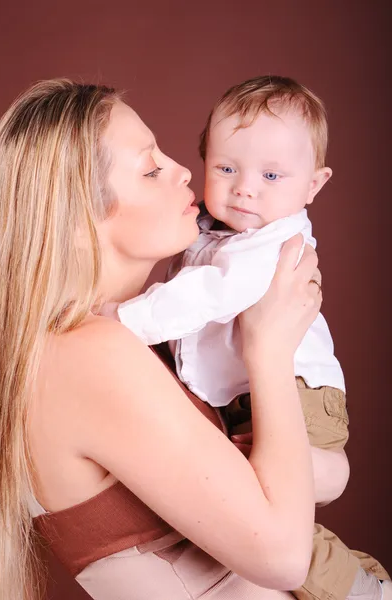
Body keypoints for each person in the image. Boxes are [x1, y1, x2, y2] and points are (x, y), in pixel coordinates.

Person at [0, 78, 349, 600]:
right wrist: (269, 350)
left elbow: (307, 478)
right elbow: (284, 557)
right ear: (79, 213)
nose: (186, 169)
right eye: (152, 168)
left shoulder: (115, 341)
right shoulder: (90, 351)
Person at [116, 76, 390, 600]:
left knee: (265, 521)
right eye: (225, 168)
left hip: (301, 394)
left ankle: (360, 590)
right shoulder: (215, 229)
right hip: (248, 394)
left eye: (271, 174)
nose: (245, 187)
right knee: (258, 518)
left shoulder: (271, 245)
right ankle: (353, 574)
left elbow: (206, 297)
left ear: (313, 184)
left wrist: (124, 318)